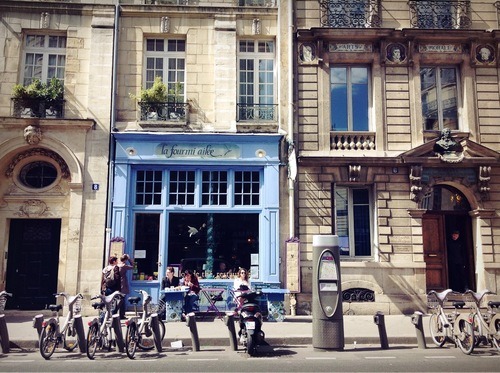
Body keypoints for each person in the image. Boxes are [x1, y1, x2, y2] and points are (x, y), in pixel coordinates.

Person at [117, 253, 134, 319]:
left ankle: (117, 313)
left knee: (119, 298)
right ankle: (121, 314)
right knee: (122, 299)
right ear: (125, 260)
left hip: (117, 283)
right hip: (123, 282)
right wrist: (129, 259)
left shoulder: (117, 265)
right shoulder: (124, 266)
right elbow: (132, 266)